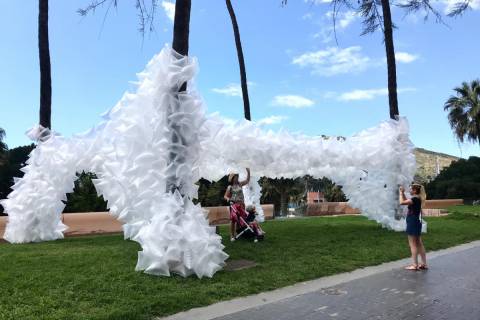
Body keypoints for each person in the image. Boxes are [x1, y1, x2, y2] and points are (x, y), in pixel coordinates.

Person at [399, 183, 428, 271]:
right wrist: (403, 193)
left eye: (411, 189)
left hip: (412, 221)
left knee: (412, 244)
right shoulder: (417, 198)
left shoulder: (415, 199)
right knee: (419, 242)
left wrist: (400, 193)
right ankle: (423, 264)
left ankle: (415, 265)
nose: (409, 190)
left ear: (415, 190)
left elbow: (402, 202)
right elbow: (406, 200)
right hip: (416, 221)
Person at [224, 168, 250, 241]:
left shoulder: (240, 184)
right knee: (233, 220)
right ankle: (231, 235)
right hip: (234, 205)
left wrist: (248, 172)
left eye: (237, 177)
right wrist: (228, 199)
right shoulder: (230, 187)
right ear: (232, 178)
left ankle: (238, 234)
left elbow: (247, 180)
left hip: (241, 204)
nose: (236, 178)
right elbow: (225, 196)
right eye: (235, 177)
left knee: (240, 219)